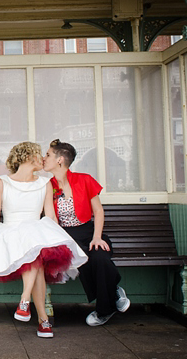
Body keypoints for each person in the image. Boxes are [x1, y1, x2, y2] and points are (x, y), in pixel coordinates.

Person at [0, 142, 88, 338]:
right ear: (30, 157)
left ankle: (25, 302)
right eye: (40, 155)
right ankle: (42, 319)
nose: (43, 160)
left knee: (36, 248)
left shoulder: (44, 183)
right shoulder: (2, 182)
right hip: (11, 232)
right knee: (34, 253)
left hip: (36, 229)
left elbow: (50, 216)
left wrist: (56, 239)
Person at [42, 139, 130, 326]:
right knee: (82, 260)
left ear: (60, 159)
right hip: (65, 236)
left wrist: (97, 237)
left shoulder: (84, 180)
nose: (44, 158)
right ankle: (110, 302)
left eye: (48, 154)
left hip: (89, 232)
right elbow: (51, 218)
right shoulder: (48, 185)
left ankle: (109, 300)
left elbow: (98, 211)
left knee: (100, 257)